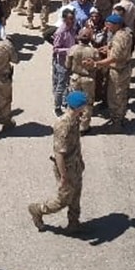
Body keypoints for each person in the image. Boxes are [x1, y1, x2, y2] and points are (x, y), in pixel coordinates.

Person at [29, 91, 87, 234]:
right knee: (63, 199)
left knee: (76, 194)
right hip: (65, 168)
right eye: (84, 105)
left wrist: (80, 161)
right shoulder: (63, 124)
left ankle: (74, 223)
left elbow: (75, 144)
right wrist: (63, 176)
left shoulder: (75, 119)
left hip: (75, 164)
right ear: (78, 107)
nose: (86, 108)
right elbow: (59, 154)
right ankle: (38, 209)